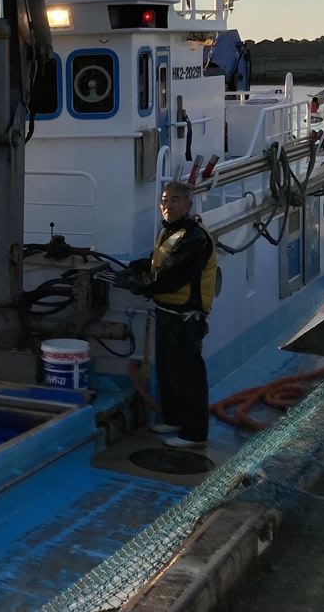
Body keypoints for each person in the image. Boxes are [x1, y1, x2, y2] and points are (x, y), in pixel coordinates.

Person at [126, 181, 217, 449]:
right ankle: (174, 418)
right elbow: (161, 262)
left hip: (187, 317)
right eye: (165, 200)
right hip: (167, 312)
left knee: (189, 374)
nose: (168, 205)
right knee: (168, 369)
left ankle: (195, 433)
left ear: (188, 204)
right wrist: (140, 267)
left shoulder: (195, 238)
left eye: (175, 199)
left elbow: (173, 277)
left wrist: (140, 285)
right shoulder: (170, 231)